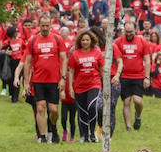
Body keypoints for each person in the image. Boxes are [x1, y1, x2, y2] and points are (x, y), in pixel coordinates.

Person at [23, 13, 67, 143]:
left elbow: (64, 59)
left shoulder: (58, 39)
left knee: (53, 109)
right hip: (38, 80)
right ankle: (42, 136)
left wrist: (63, 77)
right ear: (39, 26)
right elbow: (27, 63)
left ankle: (53, 128)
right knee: (40, 107)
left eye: (47, 26)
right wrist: (26, 82)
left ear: (51, 26)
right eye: (43, 26)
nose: (45, 28)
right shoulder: (33, 40)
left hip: (54, 80)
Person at [66, 29, 104, 142]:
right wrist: (70, 87)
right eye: (83, 40)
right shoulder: (75, 54)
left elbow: (102, 69)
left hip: (94, 84)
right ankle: (85, 135)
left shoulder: (97, 53)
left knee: (92, 107)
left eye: (87, 40)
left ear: (91, 41)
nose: (85, 42)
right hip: (79, 86)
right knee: (82, 112)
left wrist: (106, 83)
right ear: (80, 41)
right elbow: (71, 71)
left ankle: (92, 132)